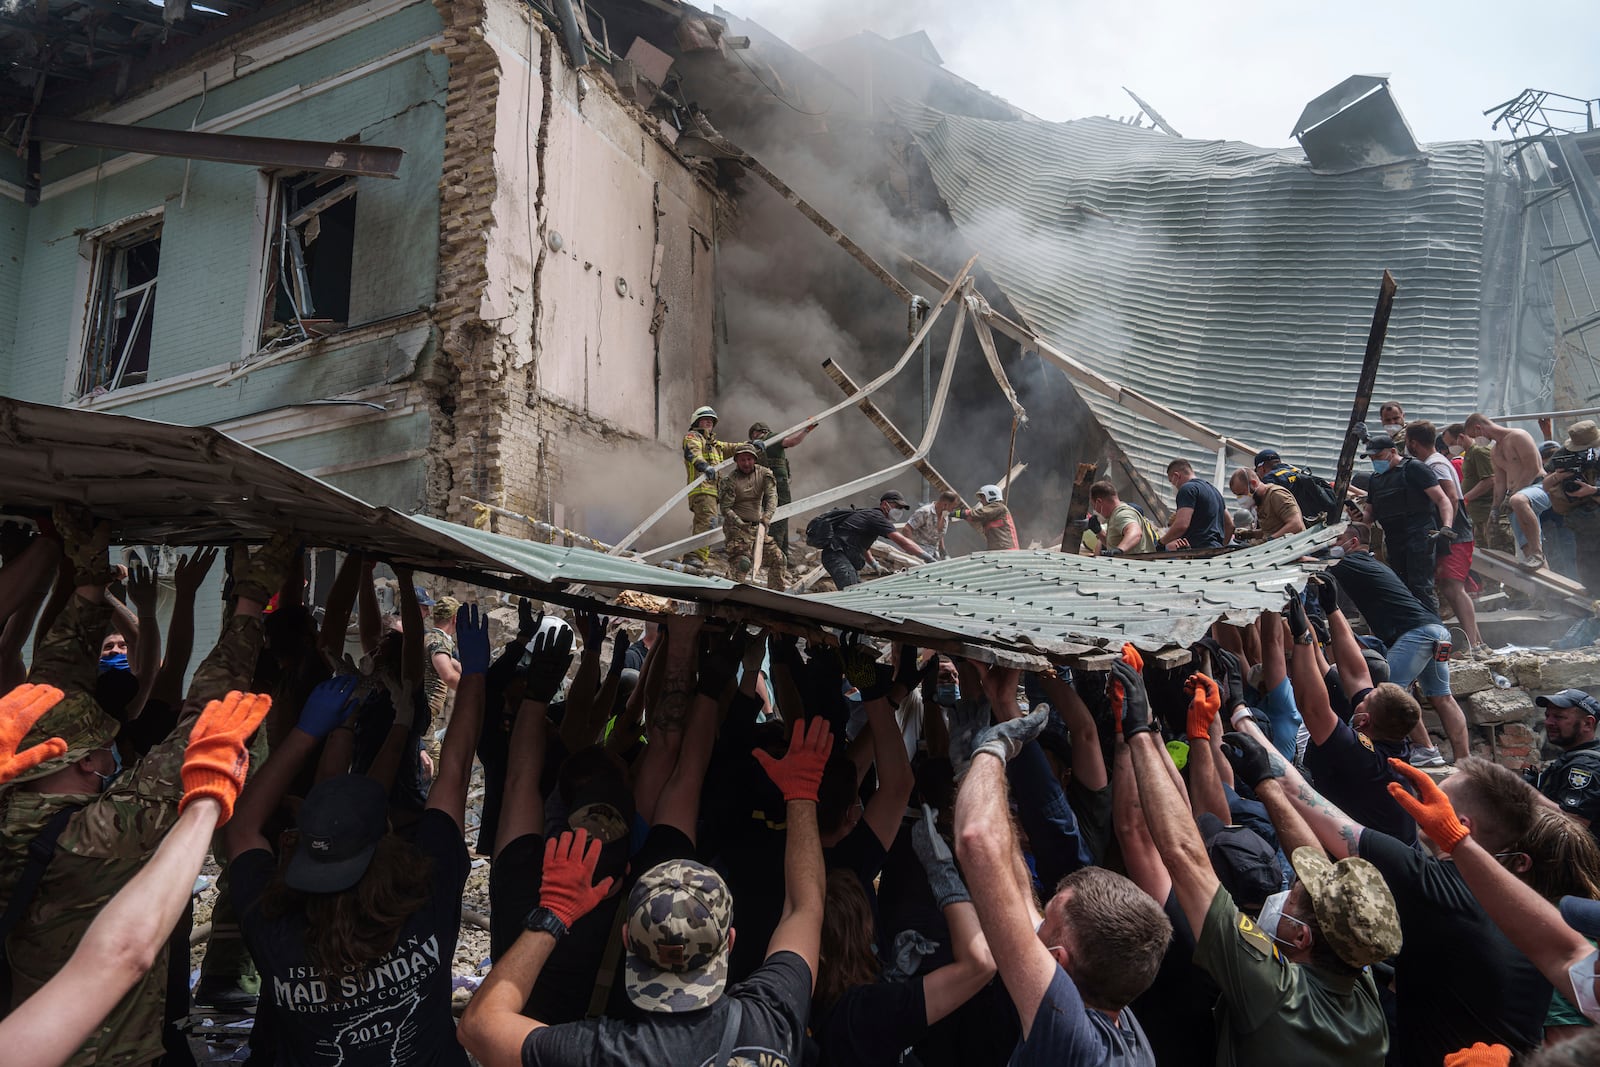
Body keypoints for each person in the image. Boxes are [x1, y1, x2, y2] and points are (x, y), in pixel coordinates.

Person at [0, 515, 294, 1067]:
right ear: (90, 760)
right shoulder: (101, 833)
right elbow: (203, 724)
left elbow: (53, 688)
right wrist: (251, 604)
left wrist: (89, 587)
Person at [458, 715, 833, 1067]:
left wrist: (554, 912)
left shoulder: (608, 1053)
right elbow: (805, 908)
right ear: (729, 943)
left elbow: (478, 1026)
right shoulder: (770, 1017)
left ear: (627, 940)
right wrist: (802, 794)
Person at [224, 605, 491, 1066]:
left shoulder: (275, 931)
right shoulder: (424, 901)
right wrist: (476, 676)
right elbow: (456, 770)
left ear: (300, 847)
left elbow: (242, 825)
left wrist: (310, 729)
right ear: (385, 834)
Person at [1115, 647, 1395, 1065]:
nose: (1284, 892)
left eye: (1294, 897)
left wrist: (1138, 729)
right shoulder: (1356, 977)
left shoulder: (1277, 992)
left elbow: (1184, 855)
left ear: (1301, 937)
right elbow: (1312, 857)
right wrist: (1265, 783)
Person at [1236, 705, 1553, 1064]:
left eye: (1436, 800)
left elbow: (1302, 796)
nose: (1422, 802)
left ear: (1462, 825)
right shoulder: (1534, 909)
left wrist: (1239, 715)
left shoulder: (1435, 886)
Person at [2, 690, 271, 1067]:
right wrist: (206, 800)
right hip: (100, 1049)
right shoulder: (98, 832)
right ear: (85, 760)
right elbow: (122, 953)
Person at [954, 700, 1168, 1064]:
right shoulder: (1120, 1017)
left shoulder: (1071, 1037)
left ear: (1058, 961)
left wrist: (992, 749)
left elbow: (975, 839)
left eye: (1047, 923)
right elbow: (1021, 904)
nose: (1035, 925)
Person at [810, 808, 996, 1067]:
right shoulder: (867, 1011)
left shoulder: (820, 1004)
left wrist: (890, 979)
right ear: (865, 929)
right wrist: (940, 870)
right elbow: (981, 964)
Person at [1328, 523, 1470, 766]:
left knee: (1387, 695)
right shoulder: (1375, 565)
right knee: (1442, 697)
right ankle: (1464, 760)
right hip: (1436, 632)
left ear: (1352, 543)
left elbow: (1312, 563)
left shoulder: (1352, 562)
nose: (1332, 545)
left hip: (1416, 634)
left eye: (1336, 539)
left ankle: (1425, 749)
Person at [1405, 422, 1484, 651]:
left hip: (1455, 534)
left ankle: (1474, 644)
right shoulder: (1433, 462)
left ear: (1413, 443)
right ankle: (1477, 641)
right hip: (1454, 533)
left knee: (1453, 587)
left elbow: (1450, 497)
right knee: (1452, 587)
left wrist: (1445, 528)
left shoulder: (1436, 465)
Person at [1360, 432, 1454, 614]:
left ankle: (1433, 632)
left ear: (1393, 451)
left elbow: (1442, 499)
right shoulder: (1375, 480)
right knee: (1401, 588)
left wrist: (1447, 527)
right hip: (1394, 540)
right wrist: (1358, 524)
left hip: (1419, 535)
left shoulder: (1414, 468)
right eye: (1372, 458)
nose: (1375, 461)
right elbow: (1369, 513)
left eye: (1378, 457)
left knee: (1420, 587)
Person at [1463, 412, 1547, 569]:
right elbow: (1500, 482)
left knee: (1518, 500)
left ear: (1478, 428)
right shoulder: (1495, 451)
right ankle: (1548, 590)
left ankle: (1537, 551)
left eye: (1473, 435)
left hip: (1537, 487)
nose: (1475, 440)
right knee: (1526, 548)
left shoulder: (1519, 436)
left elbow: (1532, 468)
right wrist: (1495, 508)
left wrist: (1514, 494)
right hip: (1514, 497)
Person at [682, 406, 758, 567]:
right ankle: (693, 556)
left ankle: (699, 558)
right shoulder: (693, 437)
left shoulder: (715, 444)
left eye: (711, 421)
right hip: (701, 488)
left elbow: (733, 447)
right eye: (705, 420)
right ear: (696, 422)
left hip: (713, 491)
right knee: (708, 521)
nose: (709, 422)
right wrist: (704, 466)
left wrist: (752, 445)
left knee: (711, 523)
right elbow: (692, 453)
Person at [816, 491, 936, 589]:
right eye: (897, 507)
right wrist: (928, 558)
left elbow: (863, 546)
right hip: (837, 555)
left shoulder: (871, 516)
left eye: (902, 508)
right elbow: (903, 542)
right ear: (885, 505)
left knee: (857, 589)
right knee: (852, 593)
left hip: (838, 556)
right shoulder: (877, 517)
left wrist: (874, 564)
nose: (899, 511)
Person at [1526, 689, 1600, 831]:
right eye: (1547, 715)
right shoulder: (1573, 757)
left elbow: (1574, 824)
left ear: (1587, 724)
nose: (1548, 722)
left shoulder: (1585, 767)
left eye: (1559, 717)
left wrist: (1525, 792)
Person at [718, 443, 783, 587]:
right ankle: (731, 593)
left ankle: (776, 595)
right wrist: (740, 523)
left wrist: (767, 516)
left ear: (754, 459)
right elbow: (725, 508)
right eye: (742, 460)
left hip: (757, 528)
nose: (746, 463)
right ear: (737, 461)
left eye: (749, 459)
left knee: (778, 558)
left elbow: (772, 497)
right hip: (736, 529)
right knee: (742, 563)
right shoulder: (730, 481)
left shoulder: (764, 474)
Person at [748, 420, 815, 555]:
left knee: (775, 515)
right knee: (781, 515)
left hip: (763, 486)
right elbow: (792, 441)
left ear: (755, 433)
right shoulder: (771, 438)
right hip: (778, 483)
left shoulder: (751, 447)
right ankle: (775, 553)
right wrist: (807, 430)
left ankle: (781, 553)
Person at [1252, 449, 1339, 526]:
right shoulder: (1297, 472)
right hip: (1317, 522)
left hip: (1294, 527)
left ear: (1261, 468)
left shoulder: (1270, 479)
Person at [1159, 459, 1231, 550]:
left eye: (1171, 481)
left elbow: (1181, 525)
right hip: (1216, 551)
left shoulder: (1187, 489)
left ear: (1176, 476)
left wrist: (1161, 543)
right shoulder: (1214, 491)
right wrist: (1222, 546)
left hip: (1198, 552)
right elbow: (1229, 525)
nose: (1172, 485)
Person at [1227, 468, 1305, 541]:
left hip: (1293, 548)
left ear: (1253, 484)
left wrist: (1269, 541)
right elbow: (1271, 531)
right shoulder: (1260, 501)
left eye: (1241, 493)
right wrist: (1251, 534)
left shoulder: (1276, 495)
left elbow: (1296, 525)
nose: (1240, 499)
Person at [1088, 481, 1155, 555]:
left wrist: (1119, 550)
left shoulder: (1122, 514)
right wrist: (1099, 531)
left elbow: (1135, 533)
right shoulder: (1114, 515)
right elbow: (1113, 545)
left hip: (1134, 564)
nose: (1095, 510)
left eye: (1094, 506)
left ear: (1099, 502)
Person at [950, 485, 1019, 551]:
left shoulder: (998, 507)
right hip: (998, 550)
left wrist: (952, 514)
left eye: (982, 497)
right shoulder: (991, 513)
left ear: (991, 496)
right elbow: (974, 518)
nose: (980, 500)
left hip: (1006, 550)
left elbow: (975, 514)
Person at [904, 490, 959, 560]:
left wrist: (944, 553)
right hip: (918, 555)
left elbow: (938, 535)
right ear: (945, 505)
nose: (952, 511)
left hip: (933, 554)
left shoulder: (945, 515)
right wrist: (913, 550)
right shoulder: (925, 512)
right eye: (952, 508)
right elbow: (906, 529)